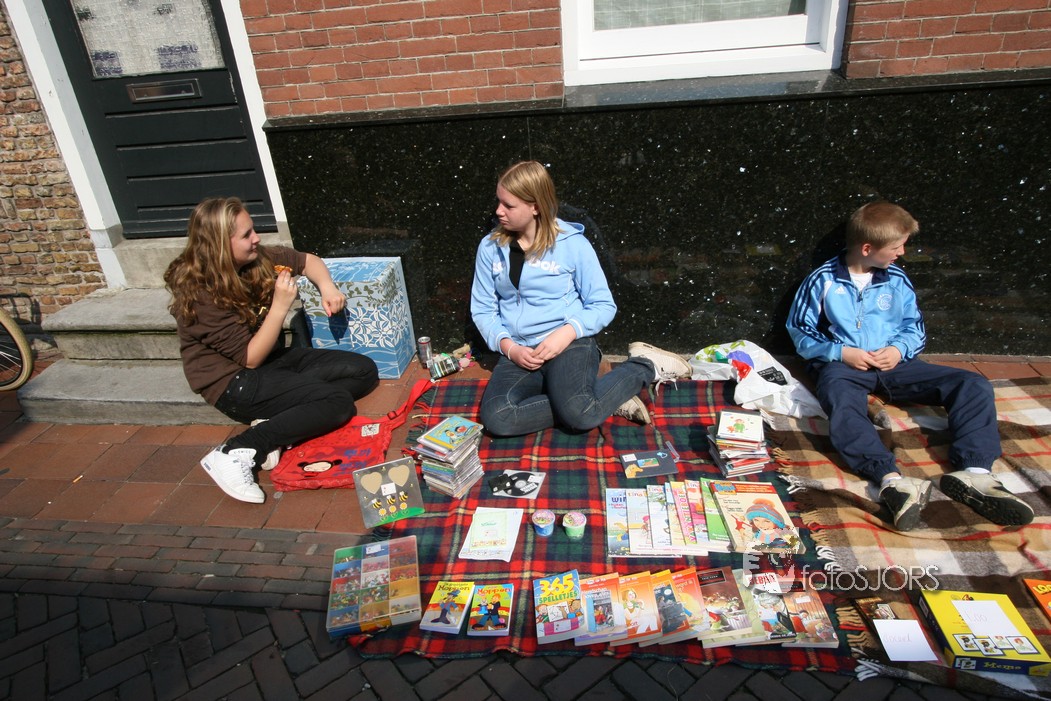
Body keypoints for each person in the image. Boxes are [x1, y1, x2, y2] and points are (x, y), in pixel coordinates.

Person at [786, 201, 1033, 531]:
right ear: (867, 248)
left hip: (897, 366)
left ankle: (975, 474)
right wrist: (841, 353)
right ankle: (891, 481)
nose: (902, 253)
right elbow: (800, 330)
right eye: (896, 247)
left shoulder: (897, 279)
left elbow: (913, 326)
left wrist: (898, 349)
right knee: (840, 401)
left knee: (972, 385)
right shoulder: (822, 280)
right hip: (845, 366)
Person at [164, 197, 379, 504]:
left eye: (253, 230)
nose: (257, 238)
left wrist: (327, 287)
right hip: (234, 383)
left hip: (273, 361)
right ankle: (237, 450)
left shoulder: (258, 258)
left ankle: (283, 420)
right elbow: (250, 359)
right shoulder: (200, 293)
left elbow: (308, 261)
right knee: (337, 402)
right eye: (246, 235)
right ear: (220, 245)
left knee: (363, 371)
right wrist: (280, 306)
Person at [470, 160, 690, 436]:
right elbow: (483, 309)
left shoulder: (573, 244)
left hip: (569, 344)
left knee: (580, 415)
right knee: (498, 419)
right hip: (519, 350)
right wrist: (510, 347)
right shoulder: (490, 247)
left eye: (509, 205)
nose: (498, 211)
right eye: (499, 201)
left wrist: (566, 333)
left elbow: (603, 304)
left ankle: (644, 366)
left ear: (535, 206)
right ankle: (603, 398)